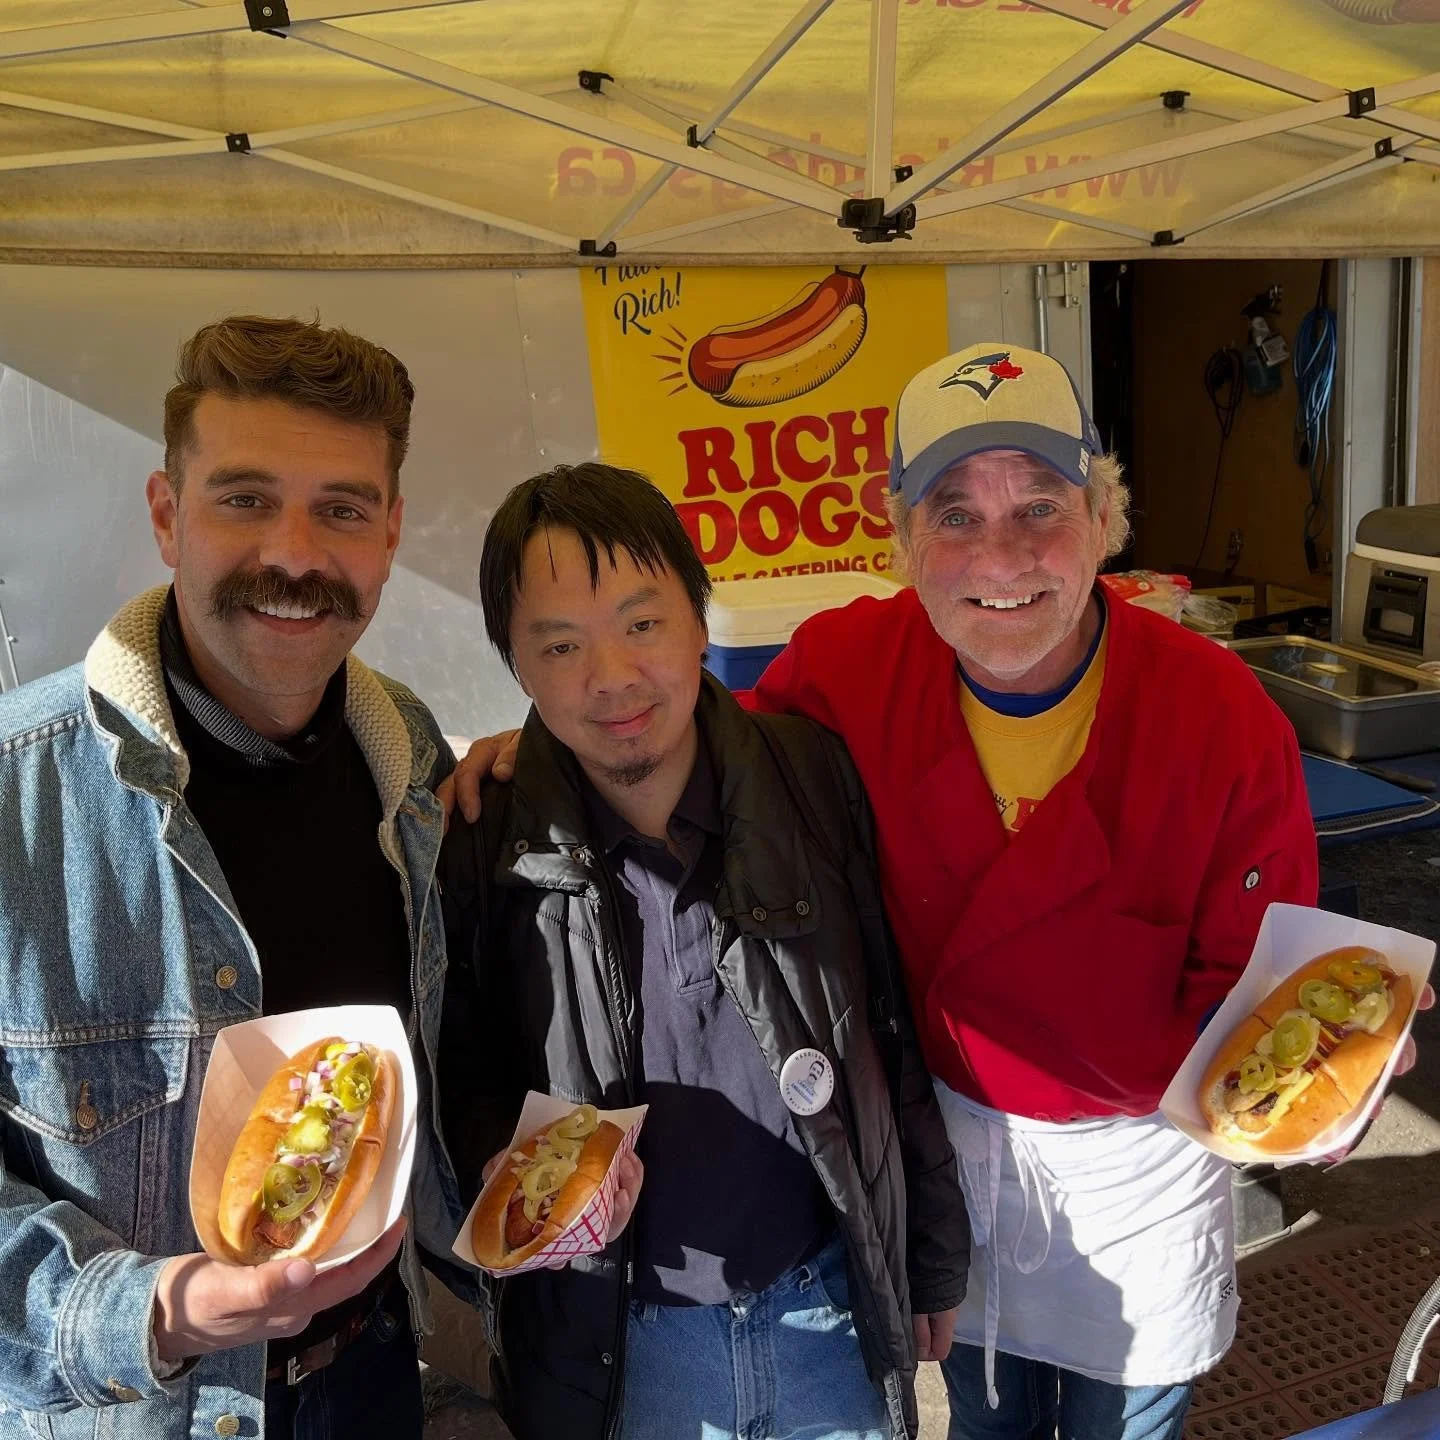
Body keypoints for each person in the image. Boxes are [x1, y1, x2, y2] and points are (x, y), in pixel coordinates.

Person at [447, 345, 1429, 1440]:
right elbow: (683, 739)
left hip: (1139, 1180)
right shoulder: (845, 669)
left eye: (1041, 507)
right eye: (954, 514)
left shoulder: (1220, 715)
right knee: (986, 1426)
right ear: (902, 537)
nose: (999, 557)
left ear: (1106, 518)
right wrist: (540, 757)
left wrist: (1334, 1079)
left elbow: (1268, 1002)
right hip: (947, 1164)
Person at [0, 315, 473, 1440]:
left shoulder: (413, 762)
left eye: (342, 510)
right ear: (169, 516)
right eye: (245, 499)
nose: (295, 556)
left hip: (373, 1380)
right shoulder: (15, 794)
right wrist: (154, 1310)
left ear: (391, 534)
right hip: (134, 1412)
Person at [437, 462, 971, 1440]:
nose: (611, 677)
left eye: (643, 623)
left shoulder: (810, 775)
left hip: (823, 1310)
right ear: (516, 665)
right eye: (560, 645)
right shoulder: (486, 837)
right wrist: (506, 1166)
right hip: (627, 1349)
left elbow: (886, 1031)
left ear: (698, 615)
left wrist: (928, 1258)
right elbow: (461, 1068)